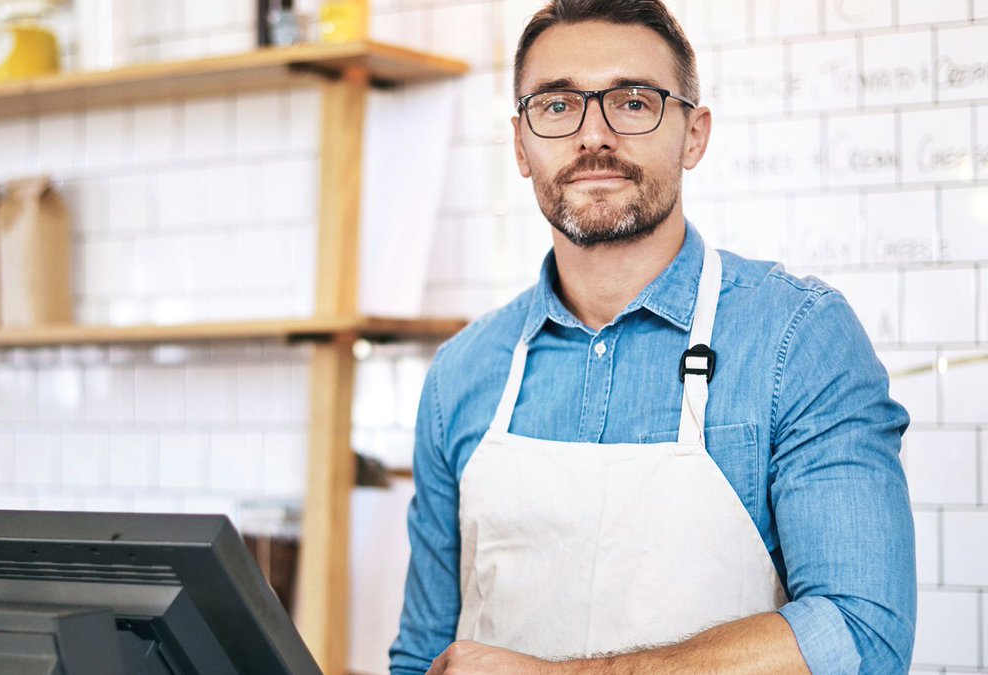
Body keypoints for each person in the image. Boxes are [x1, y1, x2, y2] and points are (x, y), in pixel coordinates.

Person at [388, 1, 915, 673]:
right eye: (557, 106)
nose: (593, 137)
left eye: (633, 102)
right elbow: (420, 656)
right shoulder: (463, 375)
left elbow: (863, 633)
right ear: (520, 145)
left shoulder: (797, 340)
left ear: (694, 135)